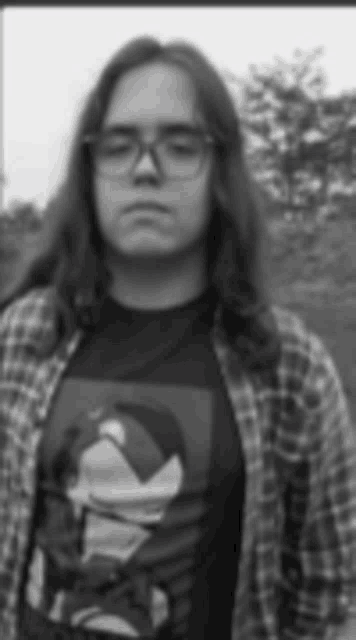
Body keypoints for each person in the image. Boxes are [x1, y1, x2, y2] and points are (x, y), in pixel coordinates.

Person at [0, 36, 355, 640]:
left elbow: (327, 601)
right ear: (90, 176)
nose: (145, 168)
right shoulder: (20, 338)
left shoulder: (289, 367)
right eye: (118, 146)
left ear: (221, 175)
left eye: (180, 145)